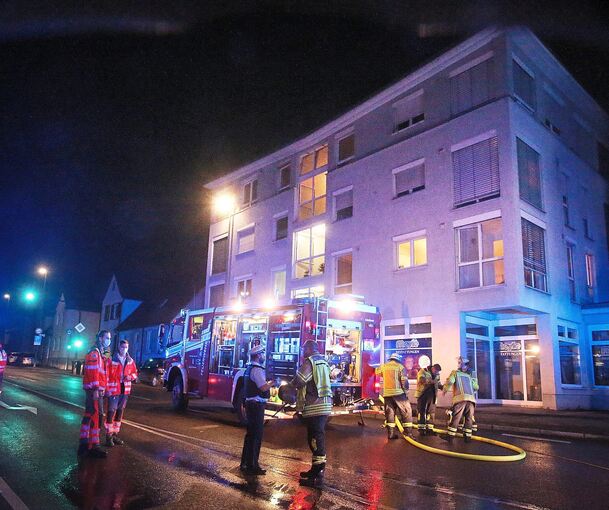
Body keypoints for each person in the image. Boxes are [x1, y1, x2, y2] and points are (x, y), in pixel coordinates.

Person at [290, 340, 332, 487]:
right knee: (317, 437)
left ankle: (316, 472)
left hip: (314, 406)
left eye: (303, 349)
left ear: (308, 349)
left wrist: (290, 386)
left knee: (314, 439)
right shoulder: (324, 361)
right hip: (324, 405)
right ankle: (317, 469)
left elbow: (300, 380)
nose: (302, 352)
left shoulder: (310, 362)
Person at [239, 344, 274, 475]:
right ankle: (253, 466)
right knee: (256, 436)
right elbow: (263, 387)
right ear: (259, 356)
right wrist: (272, 383)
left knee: (250, 435)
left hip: (250, 404)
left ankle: (245, 463)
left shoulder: (249, 368)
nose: (264, 356)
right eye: (263, 354)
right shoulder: (257, 370)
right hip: (256, 406)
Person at [78, 330, 111, 458]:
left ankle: (85, 443)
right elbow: (93, 372)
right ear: (101, 338)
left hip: (96, 389)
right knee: (95, 416)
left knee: (92, 415)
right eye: (107, 337)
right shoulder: (94, 353)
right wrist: (97, 389)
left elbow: (103, 370)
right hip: (94, 390)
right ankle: (92, 445)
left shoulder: (99, 352)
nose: (109, 340)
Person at [105, 339, 138, 447]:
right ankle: (108, 436)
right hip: (114, 390)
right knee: (111, 412)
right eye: (122, 347)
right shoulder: (112, 359)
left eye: (126, 347)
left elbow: (135, 373)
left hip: (125, 390)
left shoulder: (130, 360)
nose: (124, 349)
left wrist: (130, 377)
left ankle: (115, 435)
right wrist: (107, 389)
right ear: (119, 347)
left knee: (119, 412)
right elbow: (106, 375)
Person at [375, 352, 413, 439]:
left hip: (387, 394)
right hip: (399, 393)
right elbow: (404, 381)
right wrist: (406, 392)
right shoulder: (400, 367)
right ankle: (408, 433)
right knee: (407, 412)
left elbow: (376, 373)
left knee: (390, 413)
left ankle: (391, 434)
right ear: (398, 359)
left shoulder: (384, 366)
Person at [443, 356, 479, 443]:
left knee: (456, 417)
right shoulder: (469, 376)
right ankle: (467, 437)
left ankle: (450, 437)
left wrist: (444, 390)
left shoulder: (455, 373)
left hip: (460, 399)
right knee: (468, 419)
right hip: (471, 401)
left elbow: (450, 381)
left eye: (459, 363)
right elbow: (476, 387)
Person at [415, 363, 442, 436]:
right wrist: (431, 381)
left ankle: (429, 428)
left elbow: (438, 384)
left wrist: (443, 387)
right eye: (436, 371)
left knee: (431, 412)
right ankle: (421, 429)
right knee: (422, 411)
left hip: (432, 395)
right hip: (423, 394)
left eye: (438, 372)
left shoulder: (437, 375)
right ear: (433, 368)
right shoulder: (423, 371)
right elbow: (421, 380)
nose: (437, 373)